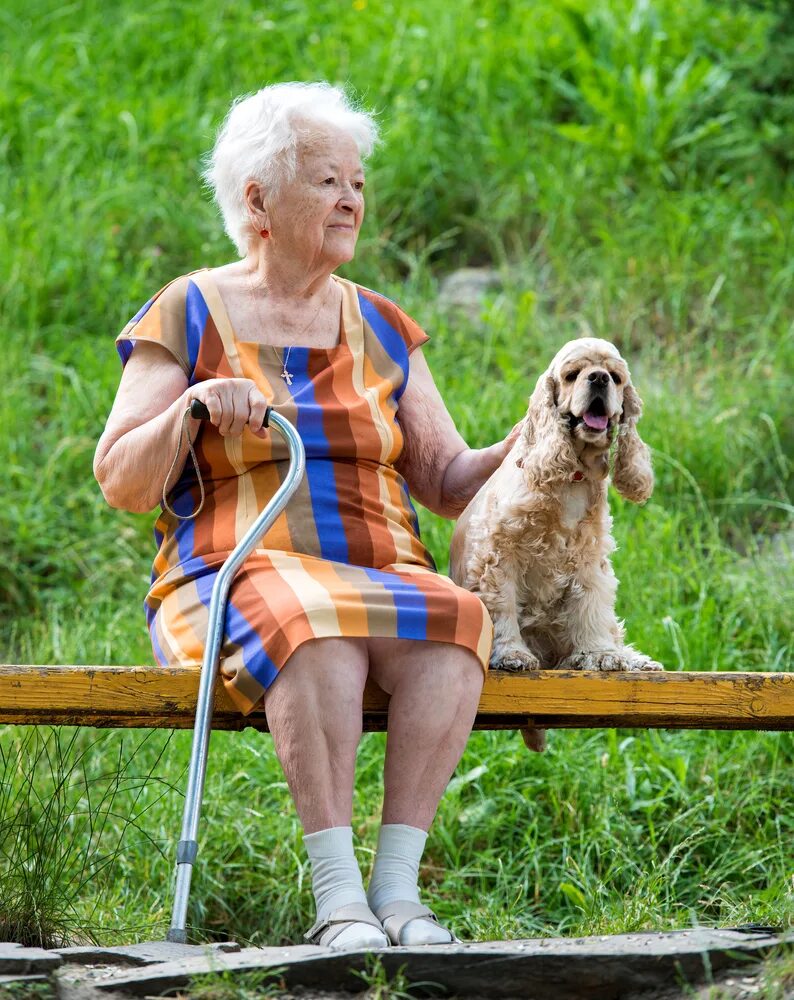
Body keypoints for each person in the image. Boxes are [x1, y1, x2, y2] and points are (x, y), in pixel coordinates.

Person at [94, 82, 518, 951]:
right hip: (232, 575)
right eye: (328, 181)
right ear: (258, 199)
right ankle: (339, 899)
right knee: (314, 623)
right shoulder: (189, 310)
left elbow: (446, 480)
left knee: (455, 621)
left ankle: (398, 894)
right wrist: (193, 410)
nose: (353, 199)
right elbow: (120, 479)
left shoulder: (379, 325)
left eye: (357, 181)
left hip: (377, 571)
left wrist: (533, 439)